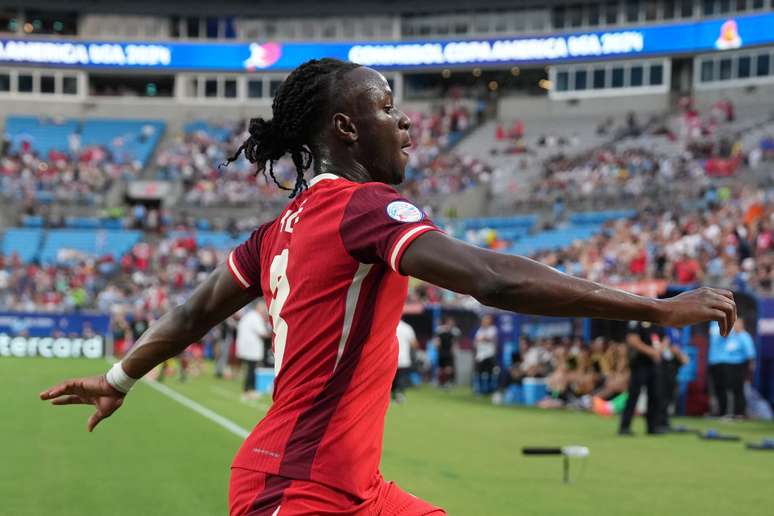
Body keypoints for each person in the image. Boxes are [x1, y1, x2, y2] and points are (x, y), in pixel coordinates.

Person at [40, 58, 737, 516]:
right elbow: (493, 279)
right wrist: (655, 306)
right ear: (346, 127)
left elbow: (195, 309)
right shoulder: (362, 208)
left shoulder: (278, 229)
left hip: (354, 491)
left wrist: (121, 376)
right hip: (298, 491)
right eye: (387, 106)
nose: (407, 121)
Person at [619, 320, 666, 435]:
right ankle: (625, 427)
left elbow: (665, 338)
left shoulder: (657, 321)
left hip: (654, 365)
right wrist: (651, 352)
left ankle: (652, 427)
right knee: (634, 395)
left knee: (655, 395)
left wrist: (659, 350)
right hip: (639, 364)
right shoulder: (636, 321)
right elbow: (632, 340)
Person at [717, 318, 756, 418]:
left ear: (742, 325)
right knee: (729, 389)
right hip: (729, 366)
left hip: (739, 365)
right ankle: (729, 412)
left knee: (738, 389)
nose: (735, 325)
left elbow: (750, 353)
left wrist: (751, 366)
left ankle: (739, 413)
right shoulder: (732, 336)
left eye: (738, 323)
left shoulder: (744, 336)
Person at [235, 303, 270, 400]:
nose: (264, 312)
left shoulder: (248, 316)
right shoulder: (256, 318)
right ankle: (248, 391)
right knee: (251, 370)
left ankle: (249, 390)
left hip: (246, 347)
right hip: (252, 349)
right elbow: (263, 333)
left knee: (250, 370)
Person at [392, 319, 417, 403]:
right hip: (403, 358)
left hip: (391, 358)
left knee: (392, 378)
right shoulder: (407, 327)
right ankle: (399, 395)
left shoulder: (390, 325)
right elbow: (413, 344)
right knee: (401, 377)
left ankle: (393, 395)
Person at [474, 314, 498, 393]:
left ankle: (489, 390)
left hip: (489, 354)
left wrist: (482, 338)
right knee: (479, 372)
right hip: (480, 355)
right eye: (484, 319)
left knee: (490, 373)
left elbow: (489, 338)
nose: (485, 321)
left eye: (487, 319)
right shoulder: (480, 330)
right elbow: (476, 341)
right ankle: (479, 390)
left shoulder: (493, 329)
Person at [434, 316, 460, 388]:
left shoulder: (452, 332)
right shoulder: (443, 332)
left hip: (447, 352)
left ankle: (445, 382)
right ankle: (442, 382)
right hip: (443, 352)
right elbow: (437, 342)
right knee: (442, 368)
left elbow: (454, 343)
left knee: (447, 368)